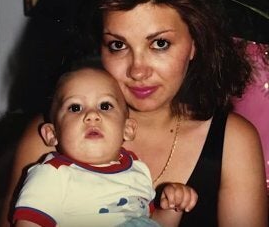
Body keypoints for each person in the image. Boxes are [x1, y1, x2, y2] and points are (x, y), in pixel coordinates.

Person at [1, 0, 268, 227]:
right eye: (118, 45)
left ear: (194, 45)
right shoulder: (48, 136)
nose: (138, 70)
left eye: (160, 44)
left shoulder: (233, 141)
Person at [13, 67, 197, 227]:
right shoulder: (52, 174)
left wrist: (173, 206)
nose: (92, 115)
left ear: (128, 129)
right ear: (52, 134)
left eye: (105, 106)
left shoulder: (138, 170)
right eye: (75, 108)